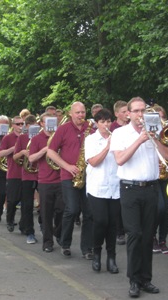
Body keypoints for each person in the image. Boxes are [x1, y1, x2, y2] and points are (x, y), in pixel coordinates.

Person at [110, 97, 168, 298]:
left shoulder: (155, 131)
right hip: (130, 188)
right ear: (128, 114)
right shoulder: (120, 133)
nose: (140, 114)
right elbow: (120, 159)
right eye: (136, 111)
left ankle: (146, 279)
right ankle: (134, 280)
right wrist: (139, 140)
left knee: (147, 236)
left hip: (151, 188)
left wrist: (154, 138)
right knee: (134, 235)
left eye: (143, 111)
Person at [47, 101, 94, 259]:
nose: (81, 115)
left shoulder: (91, 128)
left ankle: (87, 248)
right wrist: (67, 166)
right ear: (70, 114)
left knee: (88, 213)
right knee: (72, 209)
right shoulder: (63, 129)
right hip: (69, 175)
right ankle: (65, 242)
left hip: (89, 175)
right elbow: (51, 151)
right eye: (78, 112)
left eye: (83, 112)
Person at [85, 109, 120, 274]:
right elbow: (93, 162)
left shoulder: (118, 138)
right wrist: (108, 147)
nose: (106, 125)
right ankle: (97, 252)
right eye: (103, 122)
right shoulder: (91, 139)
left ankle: (111, 257)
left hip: (115, 187)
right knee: (100, 221)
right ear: (97, 123)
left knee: (112, 223)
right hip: (97, 187)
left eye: (108, 122)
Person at [29, 112, 64, 253]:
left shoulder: (60, 136)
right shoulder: (37, 139)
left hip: (61, 179)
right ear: (42, 124)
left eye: (53, 121)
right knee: (46, 213)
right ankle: (47, 241)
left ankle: (58, 233)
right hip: (45, 181)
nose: (51, 125)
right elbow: (31, 158)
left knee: (63, 210)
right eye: (48, 122)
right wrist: (45, 150)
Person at [13, 114, 39, 244]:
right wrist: (23, 152)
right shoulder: (22, 138)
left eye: (37, 125)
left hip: (42, 174)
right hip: (27, 174)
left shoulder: (42, 137)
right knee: (27, 204)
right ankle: (30, 232)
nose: (35, 127)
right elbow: (15, 157)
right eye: (32, 125)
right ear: (27, 126)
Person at [151, 105, 168, 254]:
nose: (161, 120)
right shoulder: (146, 134)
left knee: (165, 210)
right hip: (153, 176)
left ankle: (163, 239)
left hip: (166, 175)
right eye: (157, 118)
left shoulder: (167, 134)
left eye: (162, 117)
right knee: (157, 209)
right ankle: (152, 236)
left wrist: (159, 140)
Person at [0, 116, 24, 232]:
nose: (20, 126)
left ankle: (24, 224)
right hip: (14, 173)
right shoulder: (8, 138)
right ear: (13, 125)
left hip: (27, 173)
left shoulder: (28, 137)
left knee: (26, 202)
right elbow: (1, 153)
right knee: (12, 200)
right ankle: (10, 220)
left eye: (22, 124)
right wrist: (14, 148)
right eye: (18, 124)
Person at [109, 100, 129, 245]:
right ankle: (119, 231)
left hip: (129, 168)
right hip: (115, 169)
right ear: (116, 114)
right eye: (123, 111)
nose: (126, 114)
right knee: (117, 202)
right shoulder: (112, 128)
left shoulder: (132, 128)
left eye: (127, 111)